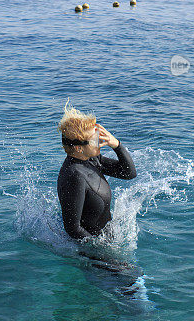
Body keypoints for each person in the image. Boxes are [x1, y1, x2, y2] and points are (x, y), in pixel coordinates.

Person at [56, 103, 137, 240]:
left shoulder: (92, 159)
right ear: (78, 148)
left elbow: (129, 174)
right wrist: (101, 253)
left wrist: (116, 145)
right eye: (94, 140)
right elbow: (72, 229)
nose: (100, 142)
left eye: (98, 136)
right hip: (93, 250)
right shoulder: (74, 176)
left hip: (107, 238)